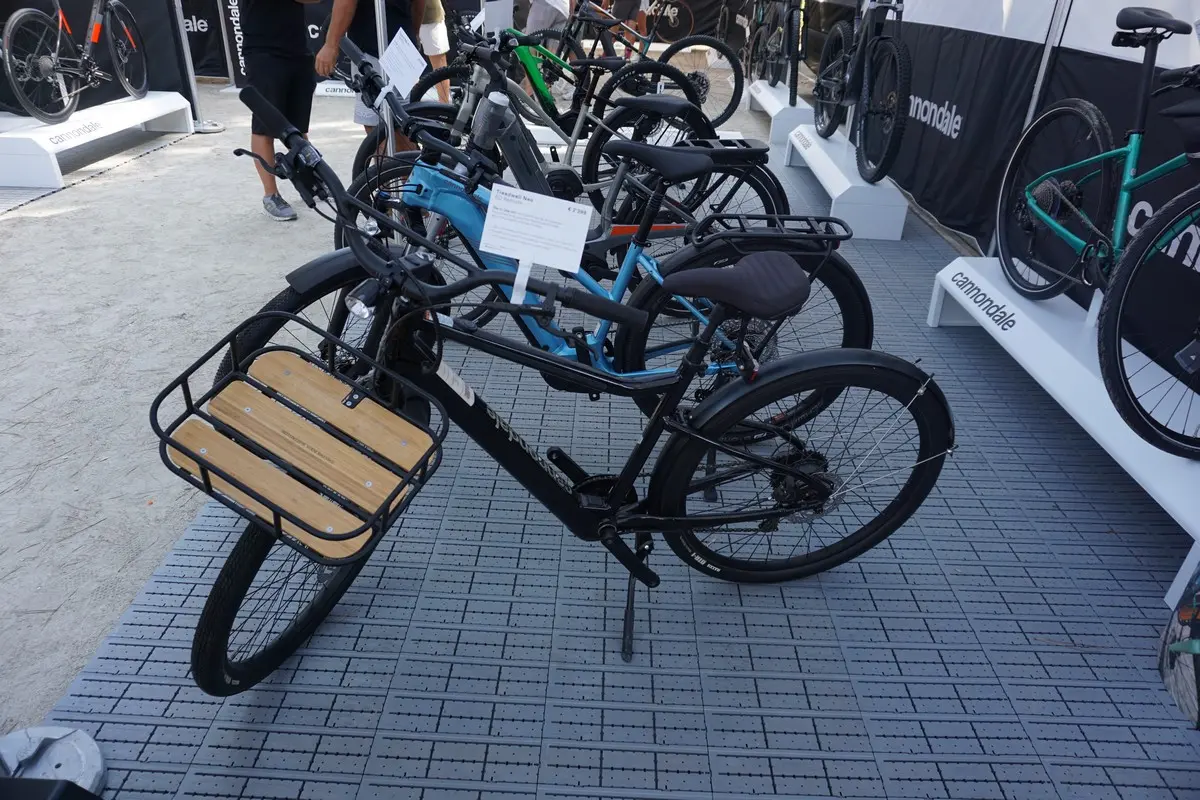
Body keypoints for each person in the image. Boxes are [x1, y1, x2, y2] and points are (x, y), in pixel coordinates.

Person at [241, 0, 320, 221]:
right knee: (264, 127)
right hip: (263, 52)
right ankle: (271, 195)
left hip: (297, 48)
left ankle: (310, 182)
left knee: (298, 127)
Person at [315, 0, 425, 133]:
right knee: (403, 124)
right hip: (402, 42)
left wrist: (331, 45)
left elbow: (347, 2)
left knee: (380, 129)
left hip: (375, 46)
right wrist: (414, 33)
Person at [420, 0, 451, 104]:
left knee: (440, 68)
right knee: (407, 67)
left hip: (430, 14)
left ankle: (445, 107)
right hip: (400, 14)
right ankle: (410, 108)